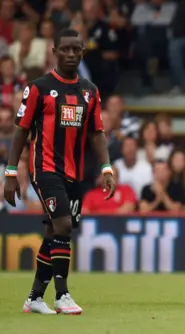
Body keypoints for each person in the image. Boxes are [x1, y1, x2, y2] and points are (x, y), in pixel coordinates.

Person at [3, 28, 116, 315]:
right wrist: (11, 173)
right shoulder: (39, 88)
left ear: (82, 52)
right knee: (63, 225)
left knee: (56, 230)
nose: (71, 54)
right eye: (65, 49)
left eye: (76, 49)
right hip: (45, 169)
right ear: (54, 51)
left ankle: (34, 297)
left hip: (75, 172)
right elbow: (21, 132)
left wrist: (106, 167)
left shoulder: (90, 91)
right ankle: (62, 294)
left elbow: (97, 134)